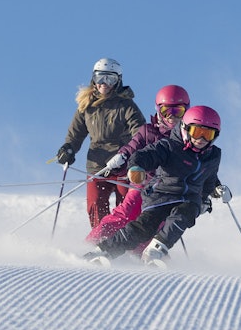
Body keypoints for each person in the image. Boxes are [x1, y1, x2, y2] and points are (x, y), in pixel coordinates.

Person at [84, 105, 232, 267]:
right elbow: (144, 155)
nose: (201, 139)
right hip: (161, 195)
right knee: (142, 228)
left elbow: (209, 177)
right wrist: (136, 167)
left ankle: (155, 251)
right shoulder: (169, 146)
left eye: (208, 134)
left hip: (189, 199)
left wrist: (214, 192)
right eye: (197, 132)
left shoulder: (213, 155)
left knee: (183, 215)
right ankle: (104, 250)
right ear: (185, 129)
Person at [85, 84, 191, 244]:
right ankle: (95, 240)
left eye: (178, 111)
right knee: (126, 213)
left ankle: (141, 254)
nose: (172, 117)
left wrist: (210, 187)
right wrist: (122, 156)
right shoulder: (148, 131)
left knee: (155, 224)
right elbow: (133, 146)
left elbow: (200, 163)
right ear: (158, 110)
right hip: (144, 185)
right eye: (166, 111)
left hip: (168, 191)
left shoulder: (189, 140)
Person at [55, 58, 146, 230]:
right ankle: (100, 239)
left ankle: (125, 241)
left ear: (118, 81)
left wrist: (132, 154)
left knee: (127, 205)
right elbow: (76, 133)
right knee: (95, 204)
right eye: (100, 78)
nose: (104, 83)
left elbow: (140, 132)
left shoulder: (126, 106)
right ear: (93, 79)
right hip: (97, 165)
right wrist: (68, 149)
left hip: (123, 164)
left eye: (110, 79)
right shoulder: (87, 105)